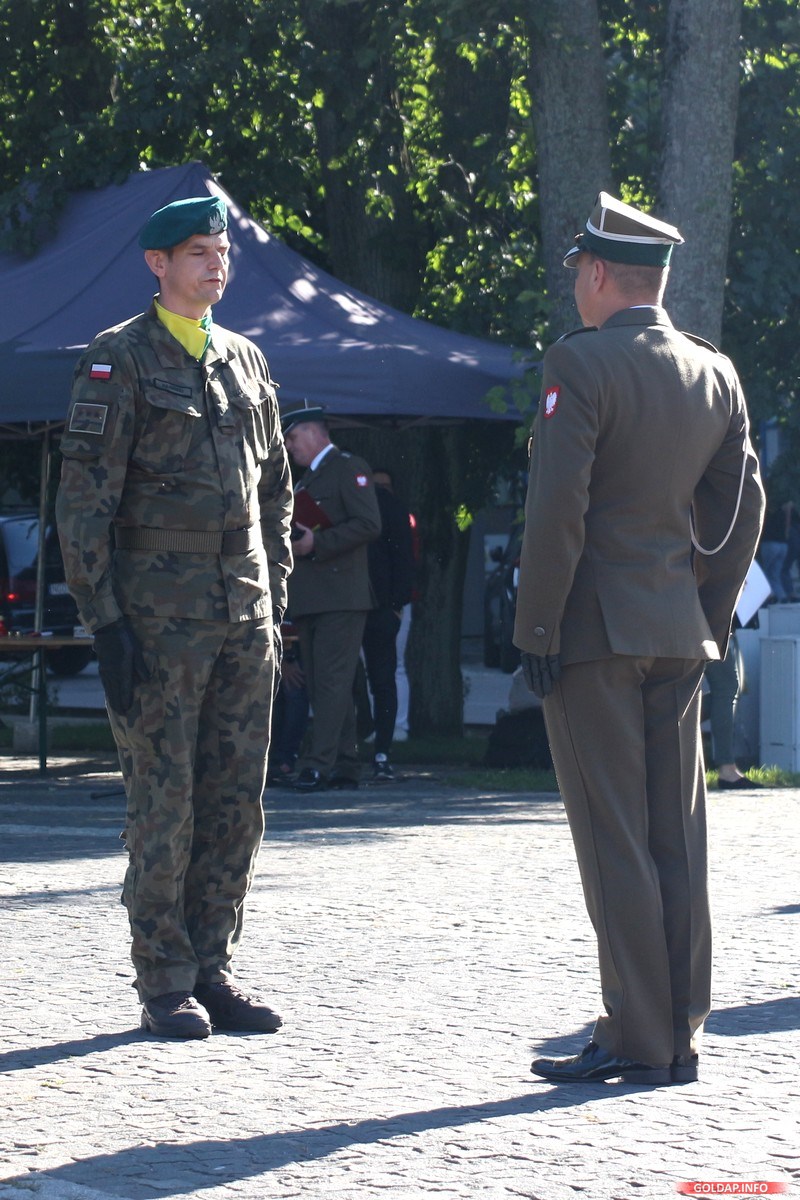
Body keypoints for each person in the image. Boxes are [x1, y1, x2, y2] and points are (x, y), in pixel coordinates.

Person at [514, 192, 764, 1086]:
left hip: (593, 633)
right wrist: (709, 612)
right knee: (676, 839)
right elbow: (743, 510)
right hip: (677, 629)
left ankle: (636, 1035)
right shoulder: (714, 370)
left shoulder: (580, 362)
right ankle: (680, 1032)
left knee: (614, 837)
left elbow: (559, 508)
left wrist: (537, 624)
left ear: (595, 273)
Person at [56, 195, 294, 1040]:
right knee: (166, 803)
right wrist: (106, 622)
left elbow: (276, 494)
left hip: (244, 617)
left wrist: (276, 597)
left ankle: (212, 967)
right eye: (198, 252)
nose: (216, 265)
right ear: (158, 264)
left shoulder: (246, 360)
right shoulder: (117, 359)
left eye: (222, 252)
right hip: (159, 624)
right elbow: (83, 504)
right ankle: (163, 979)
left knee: (235, 803)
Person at [282, 406, 382, 791]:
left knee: (330, 683)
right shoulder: (310, 477)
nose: (289, 446)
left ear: (315, 433)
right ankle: (344, 763)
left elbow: (369, 523)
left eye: (293, 437)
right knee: (327, 682)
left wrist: (318, 542)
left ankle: (317, 764)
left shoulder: (347, 467)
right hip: (314, 597)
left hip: (341, 596)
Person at [360, 468, 416, 780]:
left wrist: (396, 604)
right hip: (376, 604)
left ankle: (383, 742)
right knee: (376, 675)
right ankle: (377, 740)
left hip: (382, 606)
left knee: (385, 674)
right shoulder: (389, 508)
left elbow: (405, 557)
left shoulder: (391, 510)